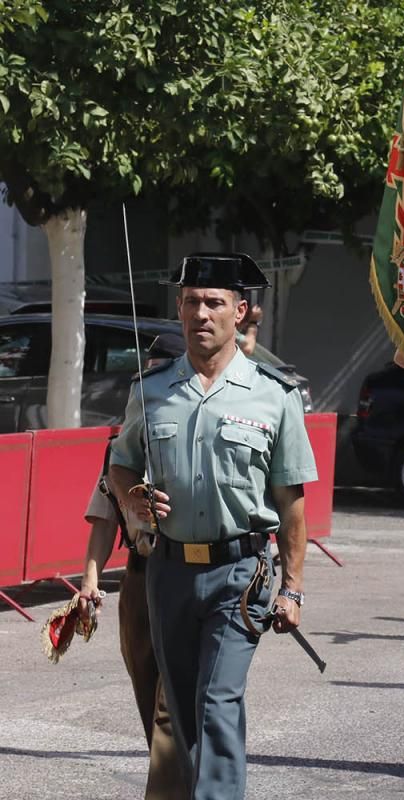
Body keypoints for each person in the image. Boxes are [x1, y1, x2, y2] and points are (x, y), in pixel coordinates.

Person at [108, 253, 317, 799]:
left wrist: (293, 588)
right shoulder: (151, 393)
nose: (201, 313)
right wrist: (131, 500)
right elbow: (120, 463)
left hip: (239, 576)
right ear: (179, 309)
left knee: (216, 703)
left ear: (240, 311)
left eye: (214, 303)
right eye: (191, 302)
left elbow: (292, 501)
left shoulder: (274, 394)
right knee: (181, 712)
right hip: (169, 575)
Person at [78, 334, 188, 800]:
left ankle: (178, 784)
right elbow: (103, 518)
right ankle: (174, 779)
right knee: (147, 689)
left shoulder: (189, 442)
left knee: (176, 705)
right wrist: (88, 583)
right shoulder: (123, 448)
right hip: (139, 577)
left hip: (187, 574)